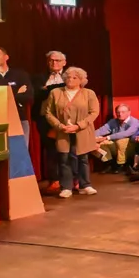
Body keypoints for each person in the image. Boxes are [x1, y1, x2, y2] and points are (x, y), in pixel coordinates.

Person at [41, 66, 100, 199]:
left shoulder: (89, 93)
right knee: (64, 159)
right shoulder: (55, 92)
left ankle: (85, 185)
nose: (70, 79)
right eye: (68, 77)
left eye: (75, 77)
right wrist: (59, 126)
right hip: (63, 131)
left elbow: (94, 112)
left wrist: (79, 126)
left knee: (83, 158)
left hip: (82, 131)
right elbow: (48, 112)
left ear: (81, 80)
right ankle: (66, 187)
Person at [34, 50, 68, 190]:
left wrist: (48, 88)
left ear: (64, 63)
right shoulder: (38, 77)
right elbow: (36, 94)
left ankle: (72, 180)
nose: (54, 63)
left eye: (58, 60)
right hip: (45, 118)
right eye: (51, 60)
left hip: (67, 119)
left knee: (69, 149)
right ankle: (54, 180)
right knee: (51, 149)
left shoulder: (71, 76)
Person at [95, 104, 139, 172]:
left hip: (131, 147)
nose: (120, 114)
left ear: (129, 112)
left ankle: (121, 165)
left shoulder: (134, 121)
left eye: (123, 112)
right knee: (100, 143)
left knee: (121, 141)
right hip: (116, 145)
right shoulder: (113, 121)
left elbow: (126, 133)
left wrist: (107, 137)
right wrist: (90, 137)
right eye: (118, 112)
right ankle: (110, 164)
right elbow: (102, 130)